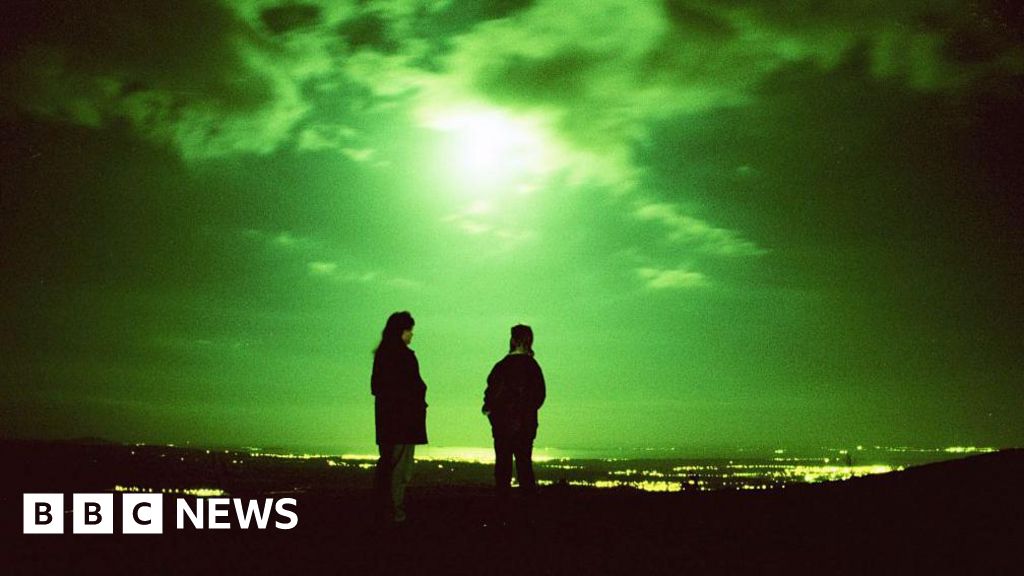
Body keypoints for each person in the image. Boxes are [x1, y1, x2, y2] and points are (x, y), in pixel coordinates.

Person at [371, 311, 428, 523]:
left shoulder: (382, 356)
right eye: (409, 331)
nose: (411, 335)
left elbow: (377, 387)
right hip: (404, 423)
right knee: (400, 471)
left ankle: (384, 511)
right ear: (401, 332)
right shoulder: (404, 357)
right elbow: (415, 387)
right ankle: (395, 513)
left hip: (387, 423)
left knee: (387, 466)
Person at [483, 324, 546, 506]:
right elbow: (540, 396)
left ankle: (503, 509)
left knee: (502, 468)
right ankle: (529, 509)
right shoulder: (533, 367)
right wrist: (526, 410)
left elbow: (491, 394)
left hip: (502, 426)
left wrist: (491, 410)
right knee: (525, 467)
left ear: (513, 340)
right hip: (526, 425)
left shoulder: (501, 367)